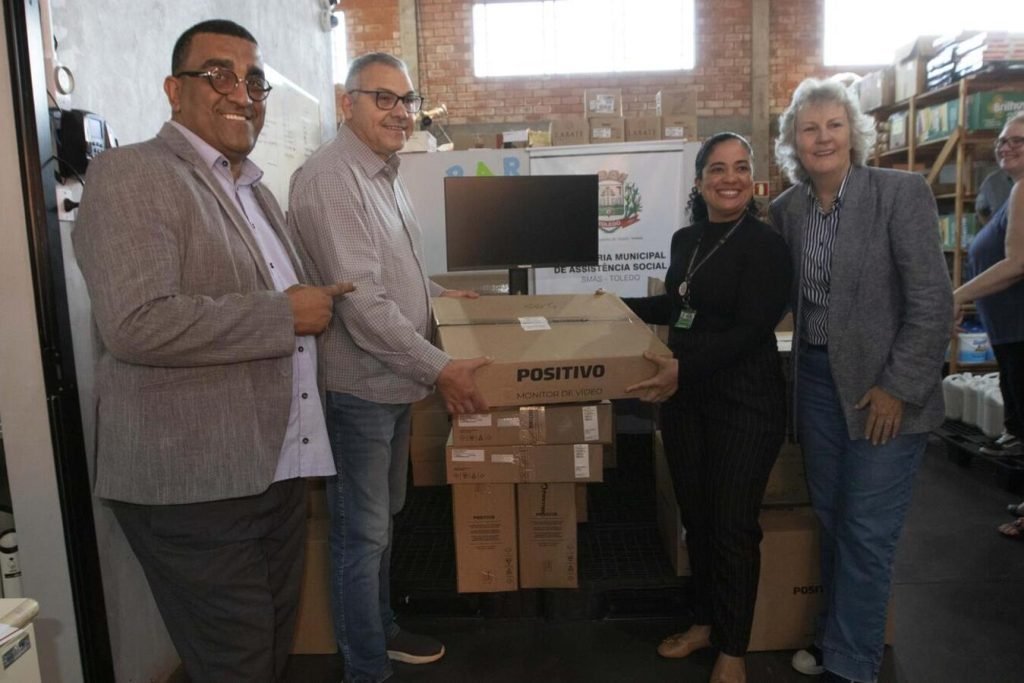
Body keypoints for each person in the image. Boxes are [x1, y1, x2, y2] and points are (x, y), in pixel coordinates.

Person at [72, 19, 353, 683]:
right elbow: (136, 322)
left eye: (254, 81)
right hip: (195, 482)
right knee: (239, 662)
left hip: (274, 468)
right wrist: (284, 314)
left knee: (269, 648)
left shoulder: (254, 189)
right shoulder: (132, 173)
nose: (241, 92)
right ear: (175, 90)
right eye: (218, 74)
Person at [288, 52, 489, 683]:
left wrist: (438, 295)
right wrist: (441, 368)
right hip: (359, 390)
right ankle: (366, 667)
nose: (400, 112)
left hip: (393, 384)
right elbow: (362, 302)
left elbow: (390, 273)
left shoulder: (383, 171)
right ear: (347, 102)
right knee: (362, 534)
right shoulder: (332, 178)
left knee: (381, 524)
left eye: (407, 100)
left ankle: (380, 628)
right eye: (384, 98)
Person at [770, 78, 952, 683]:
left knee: (868, 530)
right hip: (817, 383)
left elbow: (932, 303)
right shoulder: (788, 210)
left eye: (834, 125)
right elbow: (777, 297)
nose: (822, 138)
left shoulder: (899, 194)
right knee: (833, 517)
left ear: (854, 133)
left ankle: (851, 665)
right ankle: (835, 637)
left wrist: (897, 387)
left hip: (884, 389)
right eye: (809, 128)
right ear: (794, 141)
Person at [622, 132, 792, 683]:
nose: (730, 178)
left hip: (745, 404)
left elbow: (752, 329)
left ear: (753, 179)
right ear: (699, 181)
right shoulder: (686, 239)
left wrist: (682, 369)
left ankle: (733, 649)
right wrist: (611, 305)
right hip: (687, 400)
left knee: (733, 527)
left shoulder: (766, 245)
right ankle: (704, 622)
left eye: (741, 167)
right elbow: (679, 304)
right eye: (718, 168)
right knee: (696, 519)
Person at [952, 112, 1024, 526]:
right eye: (1002, 140)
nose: (1006, 146)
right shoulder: (1012, 192)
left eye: (1018, 140)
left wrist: (956, 297)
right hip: (1009, 331)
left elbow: (1016, 263)